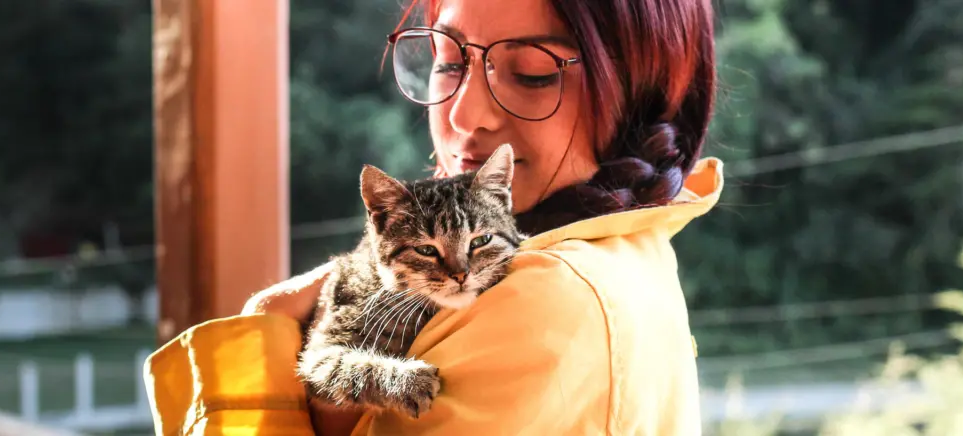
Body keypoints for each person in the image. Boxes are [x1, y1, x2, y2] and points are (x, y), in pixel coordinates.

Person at [144, 0, 722, 434]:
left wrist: (259, 333)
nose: (466, 117)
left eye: (531, 73)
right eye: (448, 63)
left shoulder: (546, 295)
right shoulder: (637, 248)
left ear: (641, 92)